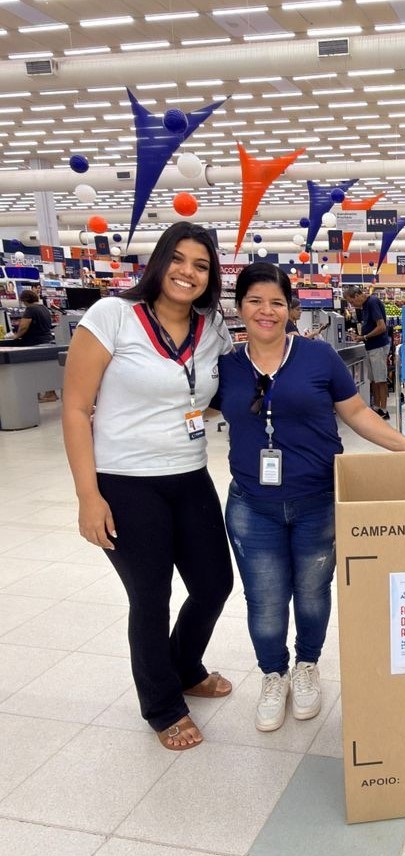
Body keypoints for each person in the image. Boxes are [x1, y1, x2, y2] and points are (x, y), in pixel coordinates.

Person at [213, 263, 405, 733]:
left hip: (318, 500)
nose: (266, 311)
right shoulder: (227, 366)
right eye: (255, 301)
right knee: (266, 600)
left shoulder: (320, 357)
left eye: (276, 302)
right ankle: (273, 674)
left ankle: (307, 665)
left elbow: (356, 412)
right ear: (239, 308)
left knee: (313, 594)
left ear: (291, 308)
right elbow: (186, 402)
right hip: (253, 506)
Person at [62, 221, 236, 752]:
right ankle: (161, 705)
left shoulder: (212, 329)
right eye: (179, 260)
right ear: (159, 262)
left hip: (189, 474)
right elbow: (74, 407)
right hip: (126, 482)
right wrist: (88, 497)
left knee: (213, 584)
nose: (188, 272)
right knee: (150, 596)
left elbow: (216, 393)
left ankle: (184, 666)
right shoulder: (112, 316)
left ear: (211, 277)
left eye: (201, 265)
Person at [344, 285, 391, 419]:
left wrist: (364, 337)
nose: (352, 305)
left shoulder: (372, 302)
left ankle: (384, 409)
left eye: (352, 301)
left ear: (358, 295)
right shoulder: (365, 306)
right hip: (371, 346)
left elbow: (381, 327)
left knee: (380, 379)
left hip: (378, 346)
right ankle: (376, 407)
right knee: (374, 379)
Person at [7, 288, 58, 400]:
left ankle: (34, 395)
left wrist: (16, 336)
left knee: (32, 370)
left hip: (34, 343)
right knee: (45, 369)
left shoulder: (30, 309)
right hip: (47, 340)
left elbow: (24, 326)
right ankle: (50, 393)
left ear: (25, 300)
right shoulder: (43, 308)